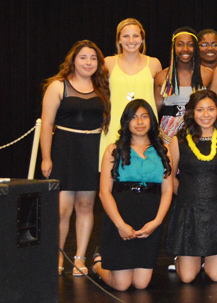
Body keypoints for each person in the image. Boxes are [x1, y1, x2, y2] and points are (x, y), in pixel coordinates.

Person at [40, 40, 110, 276]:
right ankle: (58, 254)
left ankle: (80, 258)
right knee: (62, 209)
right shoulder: (58, 86)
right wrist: (46, 158)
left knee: (86, 206)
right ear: (73, 59)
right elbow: (47, 124)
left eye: (93, 58)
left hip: (92, 151)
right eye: (83, 57)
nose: (88, 62)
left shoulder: (102, 87)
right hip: (64, 150)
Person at [91, 99, 173, 291]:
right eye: (134, 117)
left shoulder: (163, 150)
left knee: (141, 284)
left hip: (150, 218)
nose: (140, 122)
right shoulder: (114, 150)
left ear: (152, 121)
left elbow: (168, 190)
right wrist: (120, 224)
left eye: (145, 116)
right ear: (126, 121)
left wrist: (157, 222)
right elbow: (104, 192)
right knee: (122, 285)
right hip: (121, 217)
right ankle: (97, 264)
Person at [165, 90, 217, 283]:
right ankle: (183, 258)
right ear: (191, 112)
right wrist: (187, 196)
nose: (206, 115)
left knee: (216, 276)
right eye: (200, 110)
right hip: (189, 212)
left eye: (211, 109)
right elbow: (169, 177)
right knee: (187, 277)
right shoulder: (179, 140)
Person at [102, 18, 163, 167]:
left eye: (136, 36)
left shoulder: (154, 63)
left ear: (142, 39)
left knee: (145, 167)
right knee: (113, 169)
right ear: (119, 40)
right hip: (115, 125)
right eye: (126, 36)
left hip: (144, 126)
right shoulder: (108, 63)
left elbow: (159, 99)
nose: (131, 40)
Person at [155, 27, 214, 140]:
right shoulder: (162, 77)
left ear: (196, 48)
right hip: (168, 133)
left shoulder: (207, 74)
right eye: (180, 44)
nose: (185, 49)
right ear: (173, 47)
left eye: (190, 44)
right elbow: (154, 111)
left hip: (199, 130)